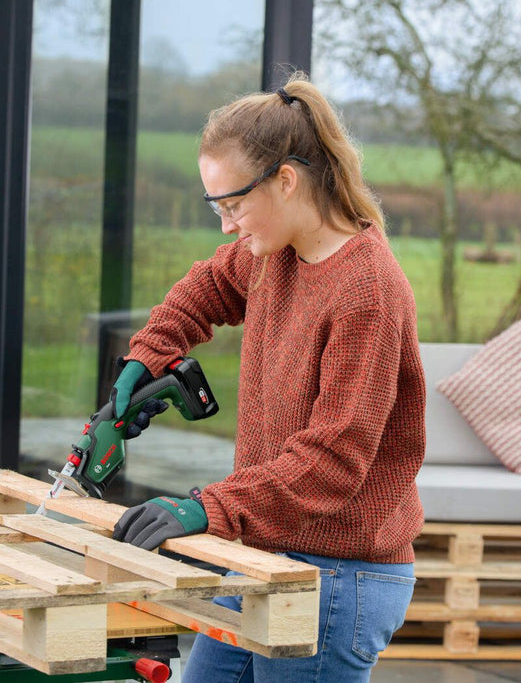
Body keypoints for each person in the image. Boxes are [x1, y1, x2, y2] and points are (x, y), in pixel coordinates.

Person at [110, 71, 426, 682]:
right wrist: (145, 357)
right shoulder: (274, 252)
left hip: (336, 578)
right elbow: (204, 289)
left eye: (234, 204)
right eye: (216, 206)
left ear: (286, 180)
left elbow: (333, 461)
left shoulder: (368, 292)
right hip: (265, 552)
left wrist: (208, 508)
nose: (227, 225)